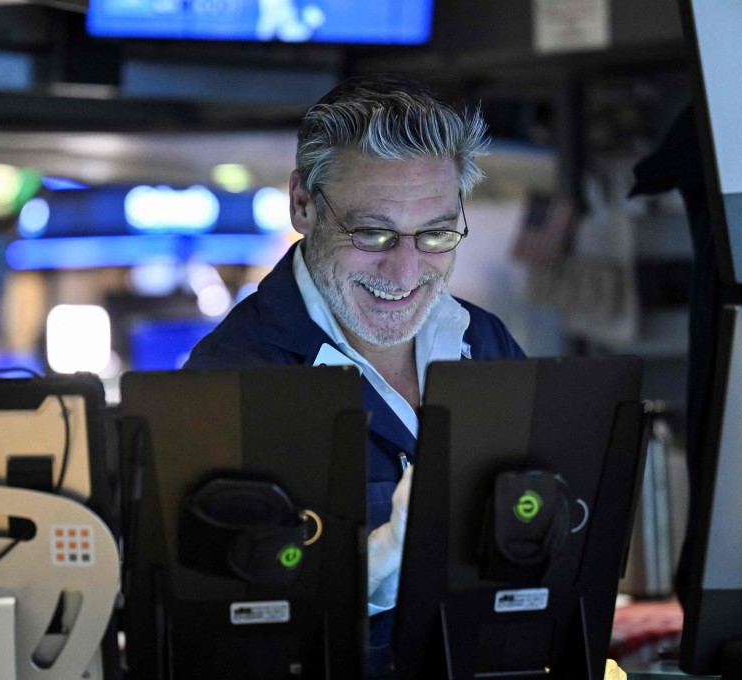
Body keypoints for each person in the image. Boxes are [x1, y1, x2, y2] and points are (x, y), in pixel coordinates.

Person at [184, 73, 525, 675]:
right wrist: (392, 549)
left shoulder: (485, 340)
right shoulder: (233, 380)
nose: (405, 270)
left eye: (437, 235)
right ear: (303, 205)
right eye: (372, 233)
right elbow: (233, 623)